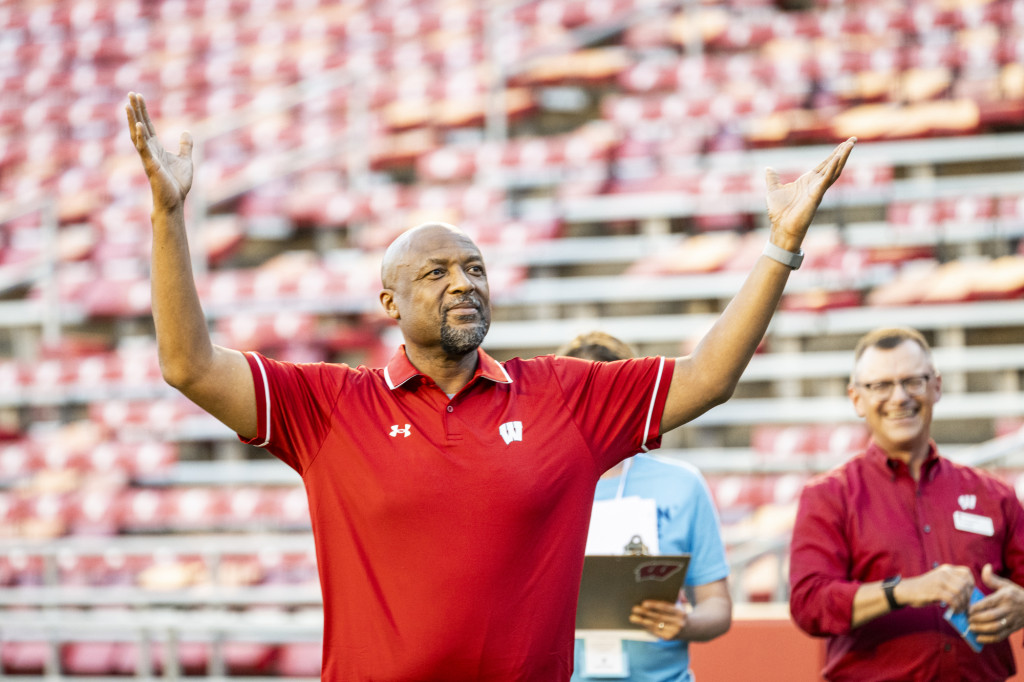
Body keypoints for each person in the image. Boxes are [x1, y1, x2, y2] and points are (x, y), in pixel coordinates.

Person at [125, 90, 855, 680]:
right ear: (390, 304)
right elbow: (187, 365)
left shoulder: (565, 396)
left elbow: (710, 377)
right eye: (436, 273)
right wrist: (168, 214)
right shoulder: (330, 406)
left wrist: (778, 247)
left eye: (474, 269)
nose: (463, 283)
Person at [788, 327, 1024, 681]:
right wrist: (904, 590)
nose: (899, 397)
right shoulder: (829, 495)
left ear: (937, 387)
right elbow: (809, 604)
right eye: (881, 385)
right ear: (856, 399)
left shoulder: (995, 494)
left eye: (913, 381)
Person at [559, 331, 731, 682]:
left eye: (607, 393)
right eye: (580, 394)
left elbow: (718, 606)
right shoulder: (541, 485)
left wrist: (684, 624)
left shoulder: (682, 484)